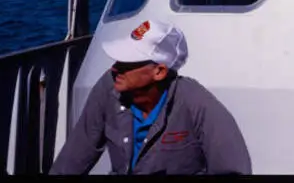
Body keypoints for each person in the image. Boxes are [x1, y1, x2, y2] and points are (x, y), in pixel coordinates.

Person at [49, 19, 252, 175]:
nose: (115, 68)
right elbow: (74, 158)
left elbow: (234, 170)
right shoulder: (108, 87)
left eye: (128, 63)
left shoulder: (198, 104)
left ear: (159, 72)